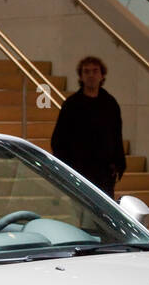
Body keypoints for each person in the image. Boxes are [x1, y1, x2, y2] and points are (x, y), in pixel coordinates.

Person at [49, 55, 125, 198]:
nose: (91, 75)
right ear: (81, 76)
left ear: (102, 76)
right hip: (79, 169)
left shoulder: (110, 104)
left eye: (95, 71)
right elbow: (59, 139)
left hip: (104, 172)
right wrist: (67, 167)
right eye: (86, 71)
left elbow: (116, 135)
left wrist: (118, 163)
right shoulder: (71, 104)